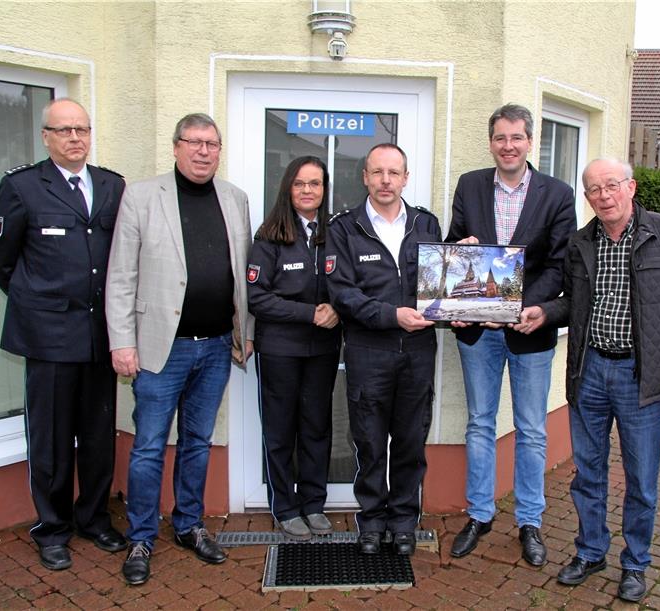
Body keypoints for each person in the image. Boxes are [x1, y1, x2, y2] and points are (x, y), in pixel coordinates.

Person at [522, 158, 660, 602]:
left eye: (611, 186)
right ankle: (590, 551)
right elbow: (573, 301)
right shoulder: (580, 241)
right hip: (589, 372)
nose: (603, 195)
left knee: (641, 479)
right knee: (588, 473)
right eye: (593, 189)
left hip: (641, 376)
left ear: (631, 187)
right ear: (586, 197)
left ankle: (635, 563)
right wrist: (544, 311)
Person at [105, 113, 253, 585]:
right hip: (157, 349)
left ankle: (188, 524)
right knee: (149, 447)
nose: (203, 151)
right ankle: (142, 536)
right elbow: (121, 275)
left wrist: (243, 330)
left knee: (197, 443)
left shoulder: (235, 199)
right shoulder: (143, 196)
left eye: (211, 143)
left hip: (214, 348)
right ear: (176, 147)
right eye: (194, 142)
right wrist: (122, 342)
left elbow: (242, 273)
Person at [0, 98, 127, 571]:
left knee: (99, 434)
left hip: (99, 336)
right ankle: (52, 527)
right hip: (48, 337)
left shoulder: (111, 185)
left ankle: (93, 518)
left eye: (81, 129)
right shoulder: (22, 187)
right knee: (51, 439)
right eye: (63, 130)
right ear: (46, 137)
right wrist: (37, 301)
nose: (74, 138)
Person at [447, 103, 576, 566]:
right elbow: (454, 245)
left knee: (532, 430)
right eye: (500, 138)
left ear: (530, 141)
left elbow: (560, 264)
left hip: (529, 329)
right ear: (491, 141)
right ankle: (480, 513)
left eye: (517, 138)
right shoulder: (470, 185)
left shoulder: (557, 194)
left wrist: (523, 306)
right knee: (480, 423)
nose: (508, 146)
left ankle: (530, 521)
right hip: (479, 332)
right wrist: (457, 257)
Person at [326, 143, 441, 556]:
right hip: (368, 352)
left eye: (393, 173)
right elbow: (343, 295)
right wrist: (393, 315)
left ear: (405, 177)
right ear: (365, 178)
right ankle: (372, 522)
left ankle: (404, 522)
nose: (385, 181)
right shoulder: (344, 228)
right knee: (371, 443)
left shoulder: (427, 225)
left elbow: (438, 291)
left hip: (417, 352)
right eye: (377, 172)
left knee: (410, 441)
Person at [247, 156, 342, 540]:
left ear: (324, 189)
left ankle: (314, 503)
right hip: (280, 350)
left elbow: (348, 284)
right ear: (289, 187)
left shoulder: (335, 234)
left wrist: (338, 309)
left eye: (315, 184)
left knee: (317, 427)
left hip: (322, 349)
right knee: (281, 429)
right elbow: (257, 296)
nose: (308, 190)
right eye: (300, 183)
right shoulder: (269, 235)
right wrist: (308, 313)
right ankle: (285, 506)